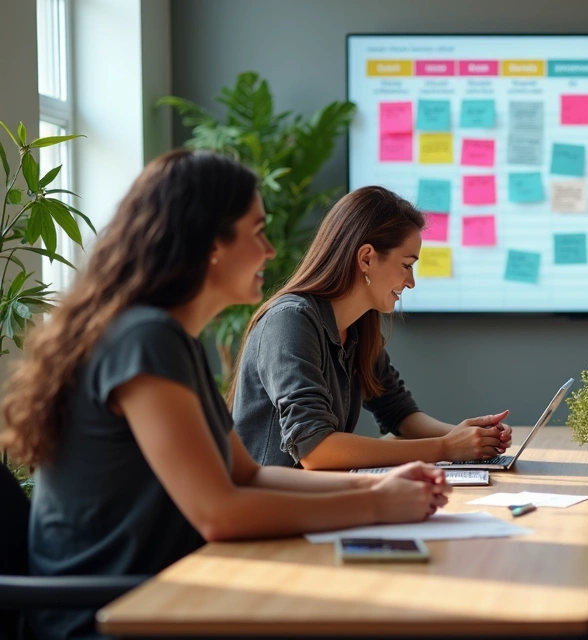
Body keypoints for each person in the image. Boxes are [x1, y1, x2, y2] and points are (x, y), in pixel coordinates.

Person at [0, 151, 450, 640]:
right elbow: (217, 513)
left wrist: (378, 487)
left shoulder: (168, 338)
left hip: (160, 594)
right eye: (257, 232)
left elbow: (248, 474)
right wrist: (377, 506)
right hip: (112, 616)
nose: (271, 252)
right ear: (212, 242)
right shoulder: (144, 340)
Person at [230, 186, 511, 470]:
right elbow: (314, 449)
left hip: (318, 497)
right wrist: (445, 447)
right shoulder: (289, 321)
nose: (411, 282)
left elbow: (399, 414)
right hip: (273, 508)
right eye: (406, 265)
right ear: (366, 258)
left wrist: (467, 437)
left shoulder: (359, 328)